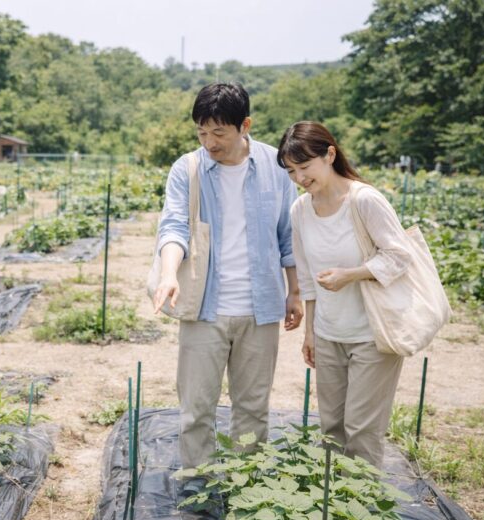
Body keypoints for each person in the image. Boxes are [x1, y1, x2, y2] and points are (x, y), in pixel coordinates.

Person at [152, 83, 302, 476]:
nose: (209, 142)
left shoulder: (275, 166)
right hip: (205, 307)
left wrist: (295, 292)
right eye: (202, 132)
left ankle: (246, 485)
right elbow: (174, 226)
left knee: (253, 408)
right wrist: (169, 274)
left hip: (261, 307)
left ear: (244, 125)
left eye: (218, 132)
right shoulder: (188, 168)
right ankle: (198, 484)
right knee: (196, 407)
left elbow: (288, 234)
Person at [277, 121, 410, 468]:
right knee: (331, 429)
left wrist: (351, 275)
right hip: (329, 332)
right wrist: (310, 332)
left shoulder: (364, 200)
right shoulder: (300, 210)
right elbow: (307, 276)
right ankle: (332, 500)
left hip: (372, 333)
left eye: (305, 166)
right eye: (291, 171)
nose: (299, 178)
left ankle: (361, 501)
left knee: (362, 431)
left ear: (330, 155)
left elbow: (400, 256)